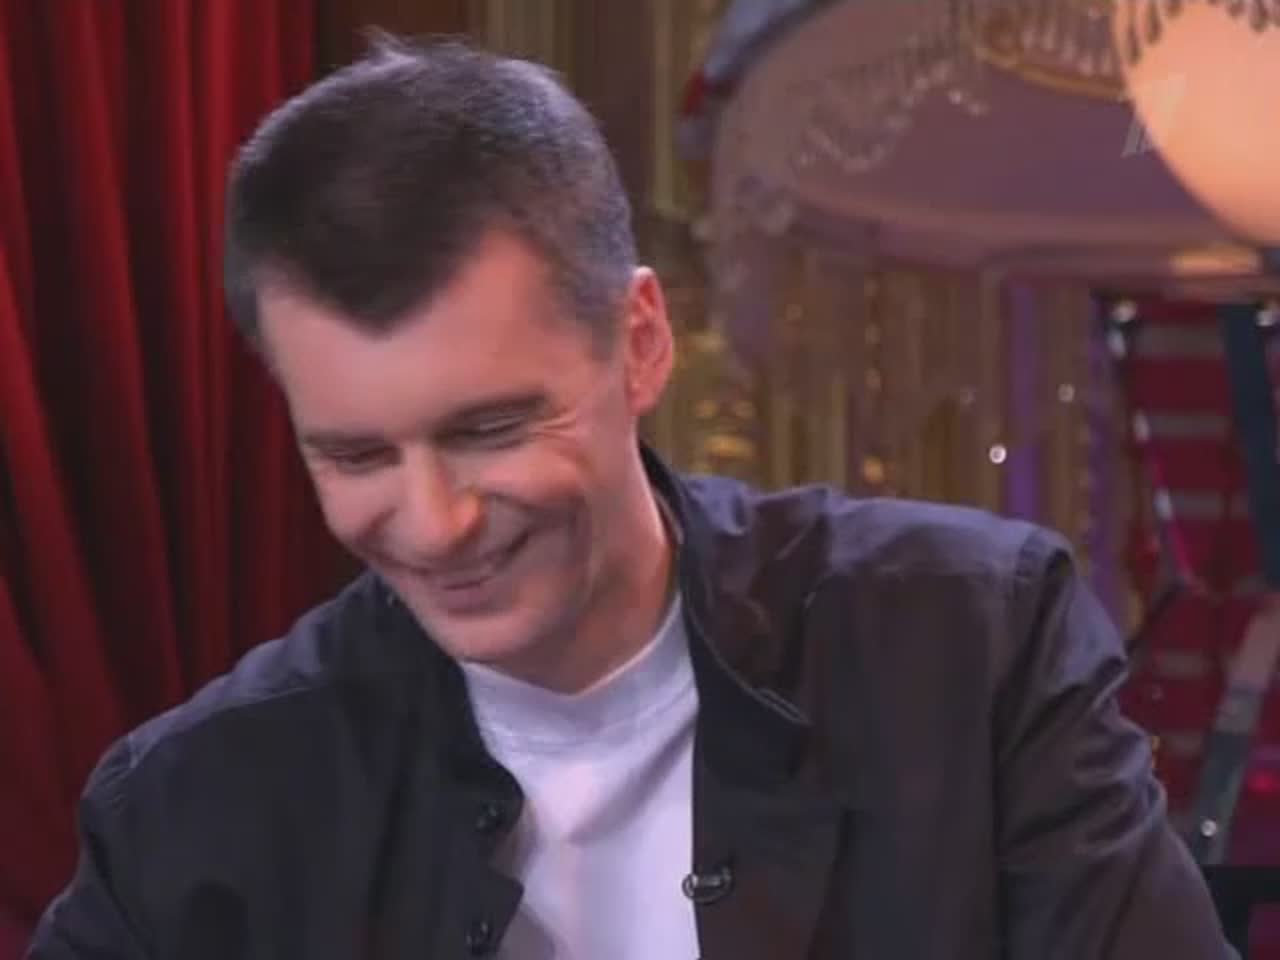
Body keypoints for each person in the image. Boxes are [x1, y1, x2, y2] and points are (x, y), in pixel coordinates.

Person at [28, 35, 1231, 960]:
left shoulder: (971, 641)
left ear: (639, 343)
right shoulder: (191, 807)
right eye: (356, 458)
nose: (434, 523)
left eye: (489, 430)